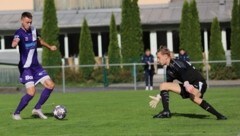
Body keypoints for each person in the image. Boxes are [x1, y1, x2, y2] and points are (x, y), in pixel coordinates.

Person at [149, 46, 227, 120]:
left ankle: (219, 115)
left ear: (166, 56)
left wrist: (186, 84)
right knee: (164, 85)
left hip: (199, 82)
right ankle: (166, 111)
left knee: (194, 98)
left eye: (158, 57)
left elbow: (182, 72)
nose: (158, 60)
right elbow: (167, 85)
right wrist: (159, 97)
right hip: (188, 85)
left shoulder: (176, 62)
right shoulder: (169, 69)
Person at [11, 12, 57, 120]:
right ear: (22, 21)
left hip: (36, 67)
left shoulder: (34, 30)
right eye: (27, 22)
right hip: (25, 68)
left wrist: (49, 47)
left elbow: (40, 41)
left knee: (50, 85)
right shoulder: (19, 33)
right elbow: (15, 40)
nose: (29, 24)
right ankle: (16, 113)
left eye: (30, 22)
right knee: (31, 93)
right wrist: (14, 43)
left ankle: (37, 108)